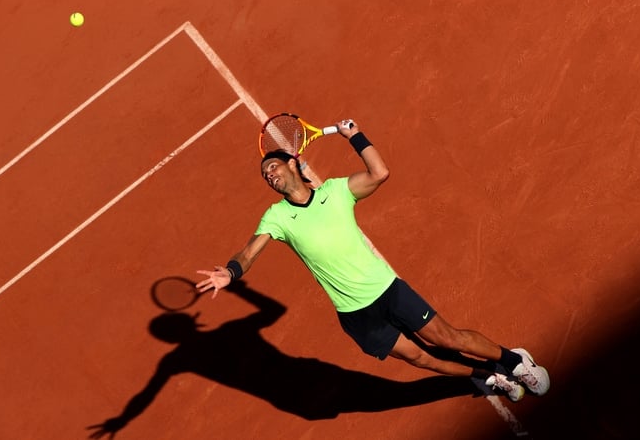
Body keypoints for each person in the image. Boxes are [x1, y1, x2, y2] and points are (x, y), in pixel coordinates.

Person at [195, 118, 550, 402]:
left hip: (387, 290)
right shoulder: (275, 217)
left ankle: (513, 361)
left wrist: (356, 136)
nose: (269, 175)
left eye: (272, 166)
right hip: (355, 314)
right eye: (265, 176)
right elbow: (248, 252)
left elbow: (380, 173)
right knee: (421, 358)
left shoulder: (335, 192)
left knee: (448, 339)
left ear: (292, 162)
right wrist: (230, 271)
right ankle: (486, 376)